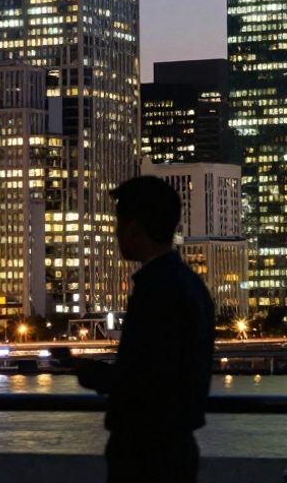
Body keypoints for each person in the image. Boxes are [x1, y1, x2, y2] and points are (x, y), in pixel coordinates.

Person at [74, 175, 215, 483]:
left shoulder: (156, 289)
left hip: (146, 451)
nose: (115, 234)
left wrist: (90, 373)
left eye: (118, 224)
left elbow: (146, 377)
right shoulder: (191, 284)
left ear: (134, 229)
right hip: (174, 446)